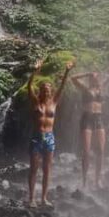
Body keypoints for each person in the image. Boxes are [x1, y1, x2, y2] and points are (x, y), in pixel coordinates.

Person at [27, 58, 75, 207]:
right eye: (44, 89)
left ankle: (44, 198)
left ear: (50, 92)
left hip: (49, 137)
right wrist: (35, 71)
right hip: (36, 137)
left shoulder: (54, 102)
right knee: (34, 168)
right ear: (40, 91)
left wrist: (67, 71)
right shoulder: (35, 101)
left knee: (47, 169)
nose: (46, 92)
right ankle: (31, 199)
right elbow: (29, 86)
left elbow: (62, 86)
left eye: (48, 90)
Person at [72, 66, 109, 188]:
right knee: (86, 151)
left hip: (99, 118)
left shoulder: (101, 88)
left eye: (96, 77)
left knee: (101, 151)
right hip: (87, 118)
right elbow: (73, 78)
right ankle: (84, 180)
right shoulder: (85, 88)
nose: (95, 78)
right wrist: (87, 73)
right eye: (93, 77)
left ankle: (97, 180)